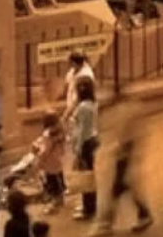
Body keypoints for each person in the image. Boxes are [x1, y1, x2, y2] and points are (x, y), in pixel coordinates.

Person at [87, 131, 152, 235]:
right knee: (122, 184)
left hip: (121, 147)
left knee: (117, 186)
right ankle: (144, 213)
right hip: (119, 148)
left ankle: (105, 223)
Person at [68, 79, 100, 221]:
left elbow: (82, 131)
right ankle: (89, 205)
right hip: (92, 141)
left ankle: (89, 208)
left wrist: (78, 148)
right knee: (89, 175)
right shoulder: (93, 104)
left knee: (85, 177)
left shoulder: (83, 107)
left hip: (86, 143)